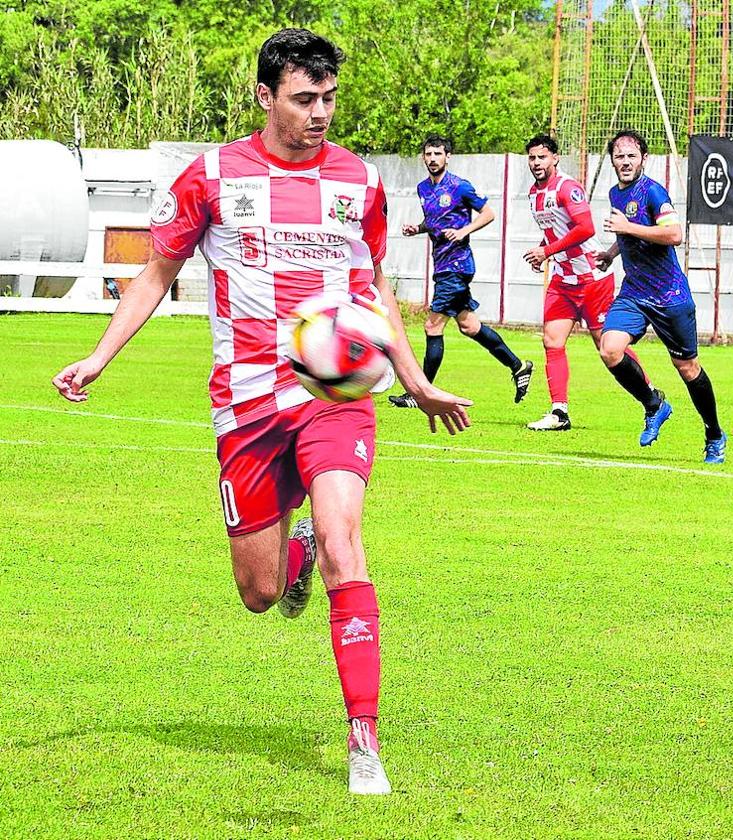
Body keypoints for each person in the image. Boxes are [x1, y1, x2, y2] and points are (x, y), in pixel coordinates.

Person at [51, 28, 472, 796]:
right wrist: (98, 357)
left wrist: (413, 381)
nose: (321, 113)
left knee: (350, 540)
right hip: (244, 399)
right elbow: (155, 276)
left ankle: (363, 740)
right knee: (259, 592)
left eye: (330, 98)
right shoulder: (210, 175)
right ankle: (295, 554)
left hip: (333, 389)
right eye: (306, 98)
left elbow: (373, 287)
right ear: (265, 96)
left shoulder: (359, 181)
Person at [596, 130, 726, 463]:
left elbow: (674, 234)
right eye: (619, 156)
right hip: (635, 292)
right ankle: (654, 404)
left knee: (687, 367)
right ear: (612, 159)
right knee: (610, 350)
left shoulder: (653, 192)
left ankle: (714, 434)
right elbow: (629, 233)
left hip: (669, 295)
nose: (625, 162)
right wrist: (612, 253)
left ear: (643, 159)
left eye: (631, 156)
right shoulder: (615, 192)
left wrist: (627, 229)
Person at [388, 135, 533, 409]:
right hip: (442, 265)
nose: (432, 159)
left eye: (437, 154)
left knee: (432, 326)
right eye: (428, 154)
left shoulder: (459, 186)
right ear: (423, 157)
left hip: (457, 266)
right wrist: (417, 229)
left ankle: (420, 394)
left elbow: (488, 213)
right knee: (470, 326)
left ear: (447, 156)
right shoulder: (423, 189)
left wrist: (464, 230)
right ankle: (518, 366)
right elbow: (434, 221)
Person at [521, 134, 652, 431]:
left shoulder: (568, 188)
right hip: (562, 280)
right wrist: (543, 254)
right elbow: (556, 232)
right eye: (532, 158)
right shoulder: (533, 193)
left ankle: (650, 395)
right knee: (552, 341)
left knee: (607, 347)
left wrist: (547, 251)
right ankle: (559, 412)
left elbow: (585, 228)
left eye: (542, 157)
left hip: (592, 278)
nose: (537, 162)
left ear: (555, 158)